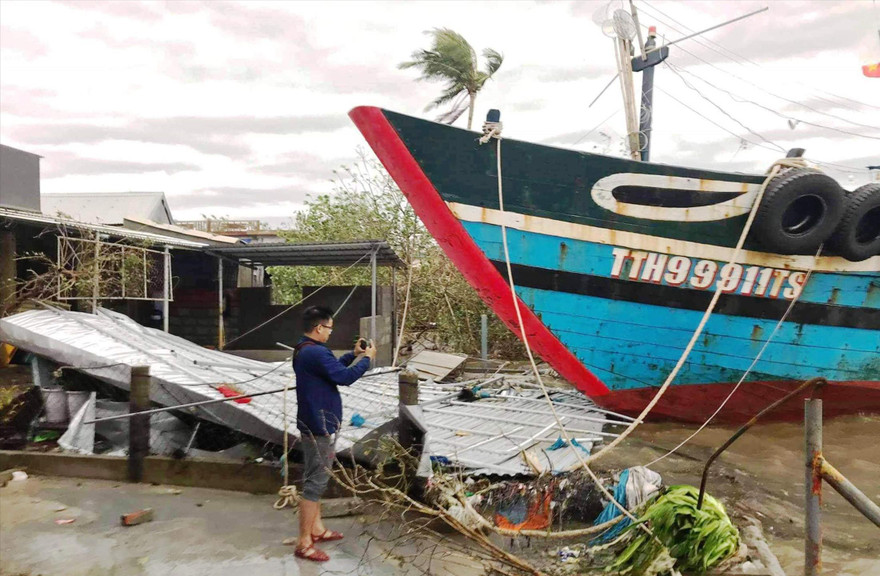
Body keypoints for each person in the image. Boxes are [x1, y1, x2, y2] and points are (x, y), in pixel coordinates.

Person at [291, 305, 376, 562]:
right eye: (329, 328)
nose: (330, 332)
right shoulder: (316, 352)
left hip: (314, 421)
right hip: (318, 425)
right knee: (315, 483)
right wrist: (367, 359)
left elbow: (332, 370)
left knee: (316, 477)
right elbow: (344, 378)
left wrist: (352, 354)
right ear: (319, 328)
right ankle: (304, 541)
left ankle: (316, 528)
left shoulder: (305, 349)